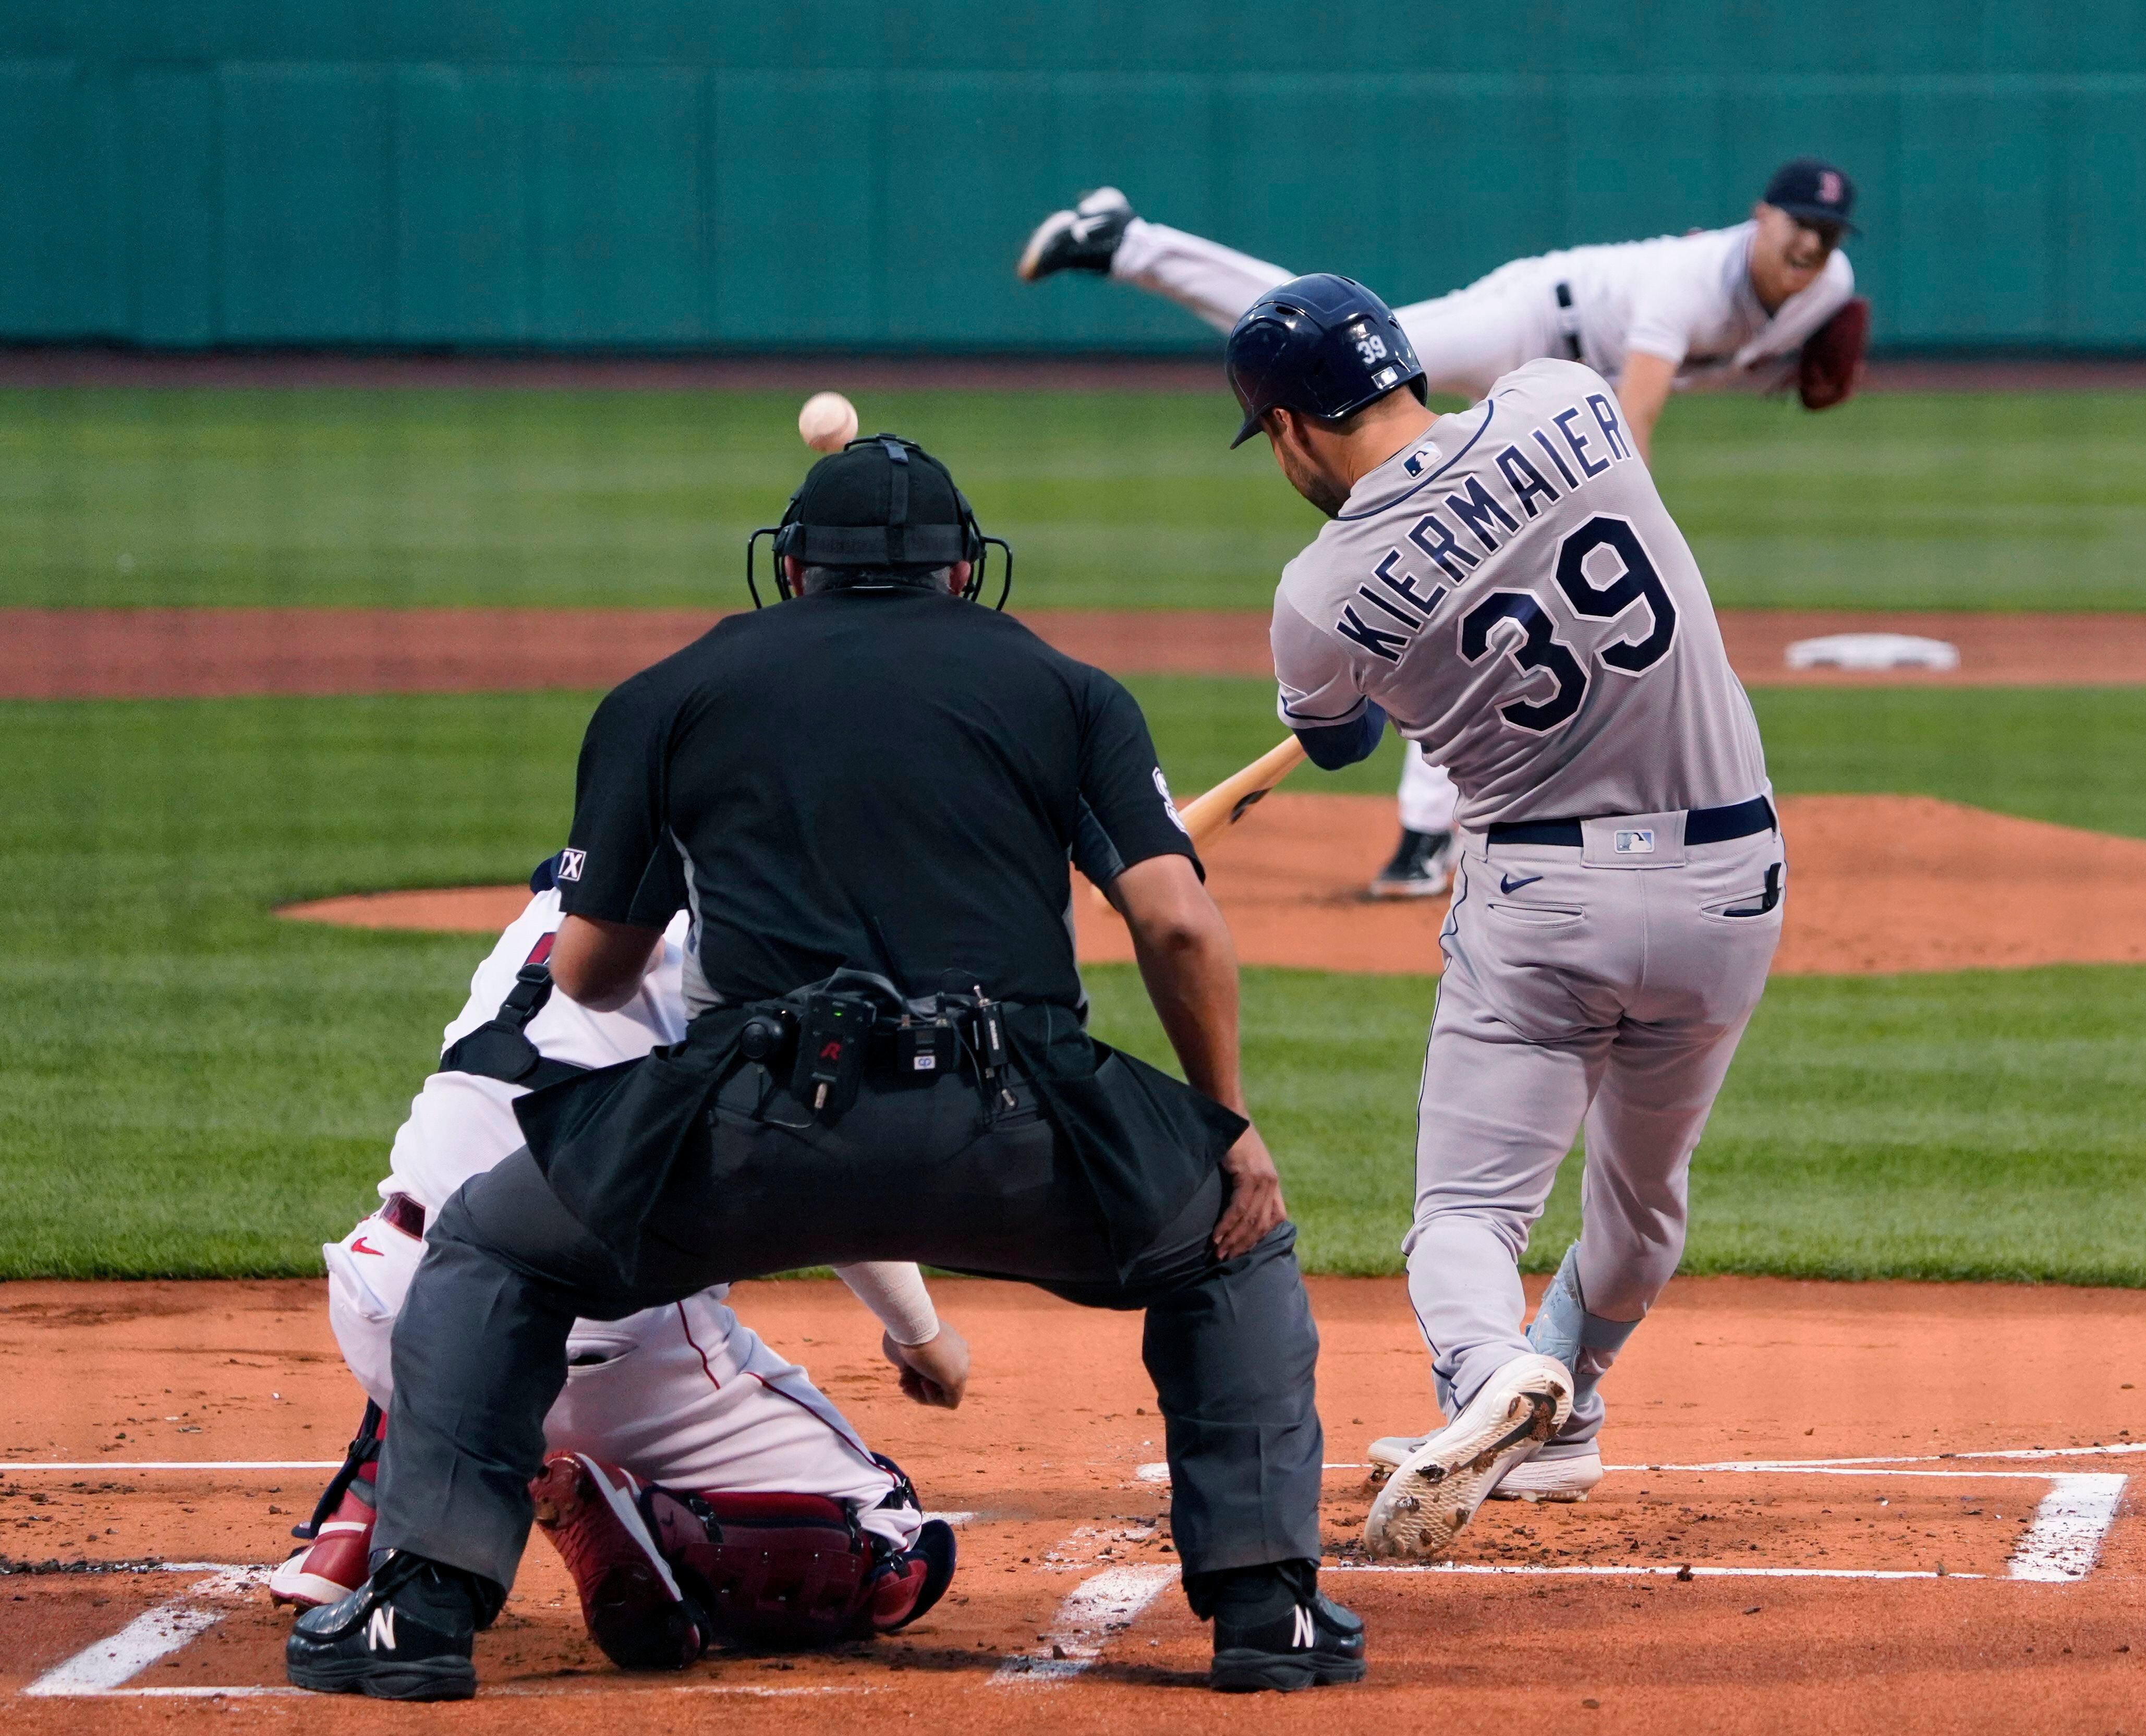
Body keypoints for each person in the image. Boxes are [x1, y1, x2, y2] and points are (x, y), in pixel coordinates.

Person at [284, 434, 1361, 1699]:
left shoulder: (669, 695)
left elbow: (587, 975)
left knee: (494, 1244)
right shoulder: (1071, 693)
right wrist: (1222, 1125)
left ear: (790, 570)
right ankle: (1266, 1611)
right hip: (1012, 1126)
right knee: (1231, 1244)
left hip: (753, 1130)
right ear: (966, 573)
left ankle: (420, 1615)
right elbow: (1176, 925)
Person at [1228, 276, 1784, 1557]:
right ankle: (1565, 1409)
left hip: (1545, 908)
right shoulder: (1566, 400)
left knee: (1470, 1213)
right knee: (1640, 1202)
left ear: (1291, 429)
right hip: (1728, 882)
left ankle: (1488, 1374)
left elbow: (1340, 739)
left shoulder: (1317, 593)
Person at [1020, 159, 1858, 900]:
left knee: (1472, 588)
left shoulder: (1823, 285)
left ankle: (1424, 837)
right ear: (1760, 216)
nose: (1812, 246)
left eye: (1827, 233)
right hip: (1530, 326)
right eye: (1799, 226)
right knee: (1318, 355)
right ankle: (1124, 241)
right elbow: (1633, 421)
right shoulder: (1691, 286)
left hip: (1562, 388)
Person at [268, 861, 963, 1668]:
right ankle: (645, 1520)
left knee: (466, 1225)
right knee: (895, 1543)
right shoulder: (777, 926)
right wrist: (919, 1332)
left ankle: (359, 1523)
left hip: (377, 1291)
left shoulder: (570, 893)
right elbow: (824, 1178)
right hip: (587, 1351)